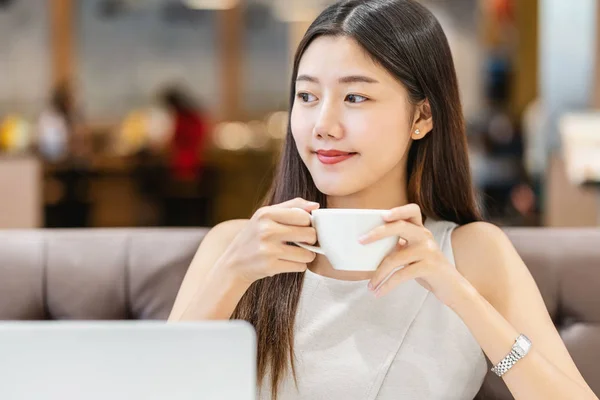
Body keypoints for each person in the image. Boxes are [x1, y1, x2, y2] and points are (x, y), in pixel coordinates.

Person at [169, 1, 597, 399]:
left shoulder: (472, 252)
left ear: (422, 116)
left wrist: (460, 296)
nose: (324, 125)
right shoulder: (235, 247)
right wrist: (230, 276)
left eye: (356, 97)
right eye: (307, 96)